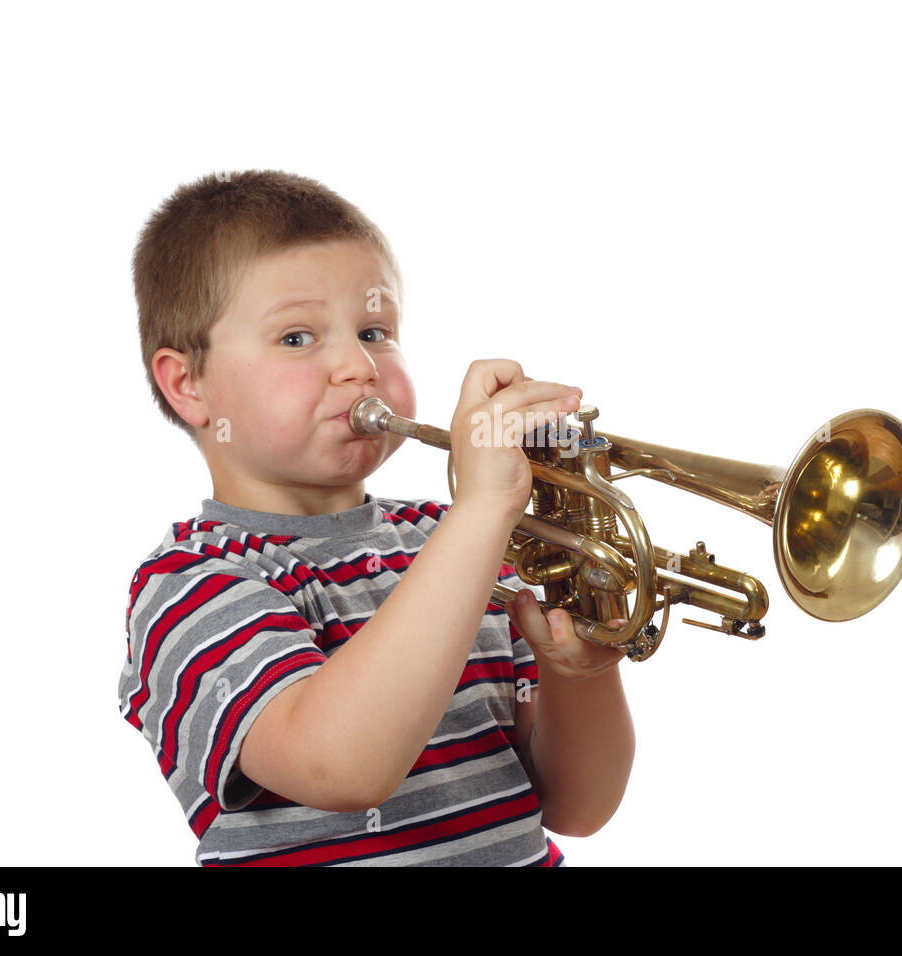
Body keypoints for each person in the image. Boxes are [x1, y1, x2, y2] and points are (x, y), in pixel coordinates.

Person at [117, 169, 636, 866]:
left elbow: (577, 806)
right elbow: (343, 766)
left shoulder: (454, 543)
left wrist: (582, 675)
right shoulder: (188, 584)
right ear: (189, 385)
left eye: (375, 330)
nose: (357, 366)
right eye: (298, 338)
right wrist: (482, 512)